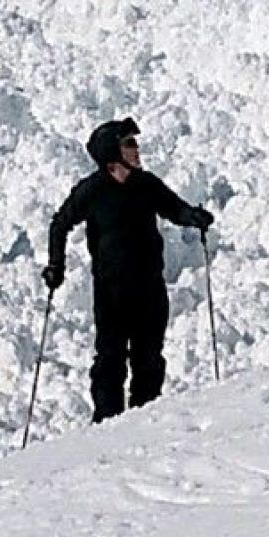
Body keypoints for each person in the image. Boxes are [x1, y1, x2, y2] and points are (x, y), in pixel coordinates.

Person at [43, 117, 213, 423]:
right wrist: (56, 265)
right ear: (112, 152)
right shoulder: (92, 191)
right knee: (110, 362)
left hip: (150, 287)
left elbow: (173, 208)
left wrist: (194, 217)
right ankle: (106, 425)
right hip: (112, 292)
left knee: (149, 359)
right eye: (129, 143)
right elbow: (60, 224)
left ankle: (143, 422)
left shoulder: (146, 184)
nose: (137, 149)